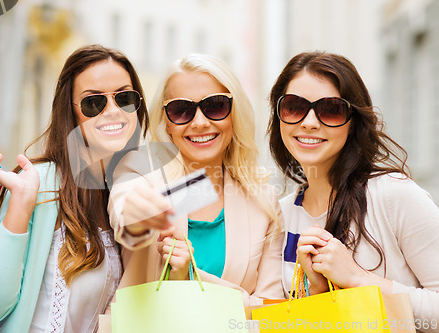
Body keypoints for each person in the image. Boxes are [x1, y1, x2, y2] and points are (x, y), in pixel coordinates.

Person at [0, 45, 149, 333]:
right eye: (93, 103)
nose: (112, 111)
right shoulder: (42, 183)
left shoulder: (123, 190)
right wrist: (21, 203)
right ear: (70, 113)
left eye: (124, 98)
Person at [268, 51, 439, 327]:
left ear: (353, 122)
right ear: (279, 117)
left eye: (331, 109)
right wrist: (318, 290)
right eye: (294, 106)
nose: (309, 122)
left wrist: (358, 278)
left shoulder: (394, 196)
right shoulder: (280, 215)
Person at [108, 53, 285, 306]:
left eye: (215, 106)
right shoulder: (141, 172)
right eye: (181, 111)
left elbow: (272, 308)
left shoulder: (263, 201)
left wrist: (192, 277)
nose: (200, 123)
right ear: (166, 123)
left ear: (234, 114)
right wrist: (139, 216)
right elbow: (125, 213)